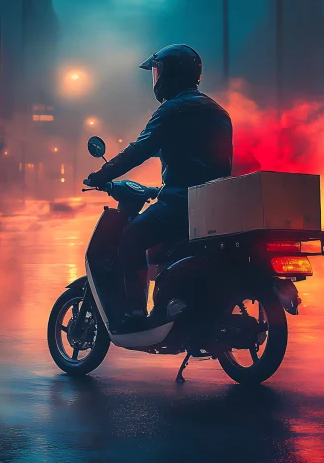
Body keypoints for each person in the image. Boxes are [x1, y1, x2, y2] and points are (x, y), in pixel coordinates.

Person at [86, 44, 233, 333]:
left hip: (180, 203)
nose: (157, 79)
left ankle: (137, 314)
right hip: (215, 204)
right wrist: (157, 188)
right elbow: (202, 158)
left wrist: (103, 174)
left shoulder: (172, 110)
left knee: (129, 239)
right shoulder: (218, 111)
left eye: (159, 71)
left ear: (173, 75)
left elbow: (140, 149)